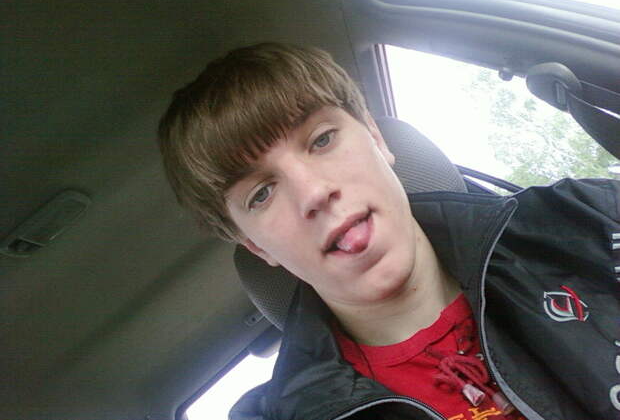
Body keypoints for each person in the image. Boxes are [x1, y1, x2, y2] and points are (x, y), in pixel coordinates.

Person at [158, 42, 620, 420]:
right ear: (257, 246)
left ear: (377, 139)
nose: (314, 192)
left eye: (322, 139)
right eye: (261, 194)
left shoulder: (585, 221)